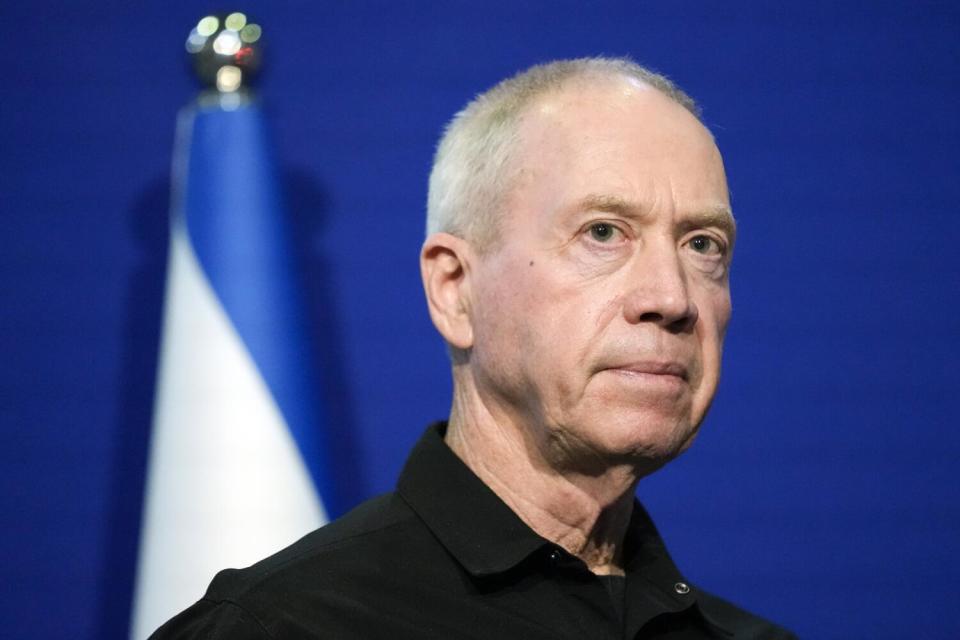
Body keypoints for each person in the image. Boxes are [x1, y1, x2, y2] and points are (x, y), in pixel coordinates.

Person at [151, 57, 796, 639]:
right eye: (603, 232)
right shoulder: (277, 629)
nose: (672, 298)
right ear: (455, 289)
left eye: (703, 244)